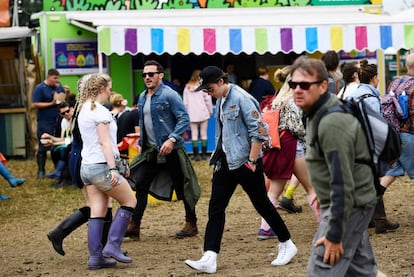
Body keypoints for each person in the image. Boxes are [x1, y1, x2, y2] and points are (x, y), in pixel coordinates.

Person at [184, 66, 297, 274]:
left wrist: (252, 161)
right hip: (225, 161)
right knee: (215, 208)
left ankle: (286, 243)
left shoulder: (242, 98)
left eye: (209, 89)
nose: (208, 93)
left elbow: (259, 130)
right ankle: (210, 255)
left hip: (246, 161)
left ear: (220, 81)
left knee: (262, 204)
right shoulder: (221, 100)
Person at [290, 56, 386, 276]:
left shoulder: (332, 121)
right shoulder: (316, 112)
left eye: (304, 85)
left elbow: (343, 182)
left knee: (322, 269)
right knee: (363, 272)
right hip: (349, 204)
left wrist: (334, 234)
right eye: (293, 85)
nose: (297, 90)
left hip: (348, 206)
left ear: (323, 86)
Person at [127, 60, 200, 240]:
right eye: (144, 75)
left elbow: (184, 119)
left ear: (160, 75)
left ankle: (192, 223)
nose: (147, 78)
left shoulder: (170, 95)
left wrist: (172, 139)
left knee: (183, 187)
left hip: (172, 150)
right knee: (141, 184)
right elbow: (144, 123)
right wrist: (142, 142)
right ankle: (134, 226)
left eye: (151, 74)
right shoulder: (143, 96)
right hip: (152, 151)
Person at [47, 75, 116, 257]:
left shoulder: (81, 107)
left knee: (103, 203)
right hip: (84, 160)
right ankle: (61, 233)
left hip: (80, 158)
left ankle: (104, 246)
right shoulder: (89, 109)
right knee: (98, 205)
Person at [77, 73, 136, 270]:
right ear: (102, 89)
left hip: (87, 167)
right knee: (130, 201)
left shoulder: (84, 109)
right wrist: (113, 168)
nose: (111, 91)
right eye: (109, 87)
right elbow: (104, 143)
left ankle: (96, 258)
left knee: (98, 209)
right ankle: (113, 245)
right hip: (102, 166)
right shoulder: (100, 111)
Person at [258, 66, 319, 240]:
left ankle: (265, 228)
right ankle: (326, 224)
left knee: (274, 192)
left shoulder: (277, 99)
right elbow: (297, 128)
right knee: (311, 187)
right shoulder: (295, 100)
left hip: (276, 148)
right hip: (292, 147)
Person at [377, 53, 414, 233]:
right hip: (410, 135)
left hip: (395, 134)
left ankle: (374, 203)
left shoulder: (395, 82)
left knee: (393, 171)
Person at [32, 68, 66, 179]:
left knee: (56, 147)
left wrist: (65, 92)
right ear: (48, 77)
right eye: (54, 78)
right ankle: (41, 171)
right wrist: (51, 103)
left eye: (58, 78)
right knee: (43, 145)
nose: (57, 80)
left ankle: (58, 170)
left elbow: (63, 100)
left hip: (58, 120)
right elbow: (35, 104)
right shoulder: (40, 88)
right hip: (45, 121)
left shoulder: (58, 86)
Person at [41, 102, 74, 188]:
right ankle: (60, 176)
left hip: (76, 144)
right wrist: (50, 137)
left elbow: (71, 140)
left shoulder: (75, 120)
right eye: (63, 113)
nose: (66, 114)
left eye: (67, 111)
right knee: (54, 151)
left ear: (71, 109)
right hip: (69, 142)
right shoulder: (64, 121)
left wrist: (54, 143)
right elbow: (63, 139)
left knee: (64, 151)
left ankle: (61, 175)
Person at [183, 69, 213, 161]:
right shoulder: (203, 87)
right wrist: (210, 111)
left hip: (192, 114)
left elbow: (185, 103)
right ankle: (204, 155)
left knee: (194, 135)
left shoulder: (187, 87)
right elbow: (208, 101)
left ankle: (196, 155)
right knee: (204, 134)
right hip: (203, 113)